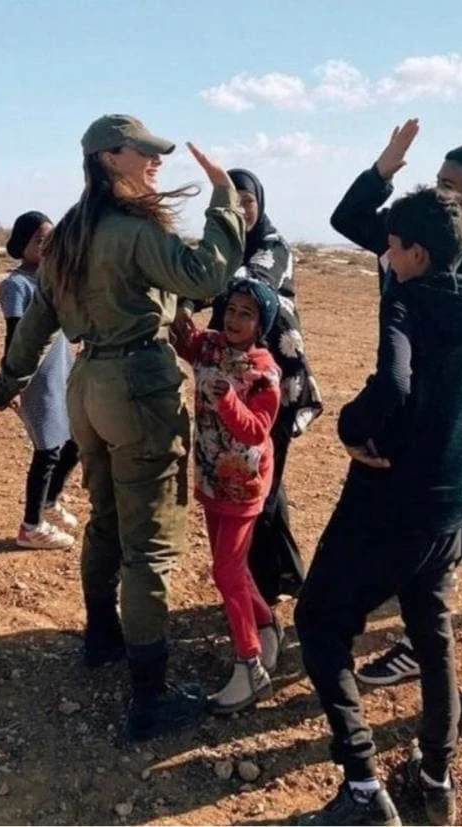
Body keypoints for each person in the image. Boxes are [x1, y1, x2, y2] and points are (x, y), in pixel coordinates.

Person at [0, 114, 245, 740]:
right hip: (138, 389)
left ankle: (102, 638)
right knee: (148, 545)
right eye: (143, 153)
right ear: (109, 158)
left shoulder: (69, 231)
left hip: (87, 387)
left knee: (104, 518)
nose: (155, 161)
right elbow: (205, 275)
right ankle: (149, 698)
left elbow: (39, 320)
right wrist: (225, 201)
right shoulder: (130, 230)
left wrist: (5, 383)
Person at [295, 187, 462, 826]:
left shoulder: (406, 297)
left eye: (394, 247)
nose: (388, 258)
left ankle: (363, 789)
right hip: (449, 505)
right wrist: (453, 430)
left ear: (417, 253)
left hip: (387, 502)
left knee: (319, 623)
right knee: (431, 634)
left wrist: (354, 428)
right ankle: (435, 779)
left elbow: (395, 383)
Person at [330, 122, 462, 733]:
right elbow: (349, 219)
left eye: (448, 184)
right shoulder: (422, 235)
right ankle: (421, 649)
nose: (434, 189)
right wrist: (386, 165)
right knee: (430, 553)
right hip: (419, 433)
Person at [179, 168, 322, 605]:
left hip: (271, 382)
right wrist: (186, 301)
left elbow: (244, 285)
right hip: (235, 384)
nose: (241, 210)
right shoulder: (224, 250)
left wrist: (192, 292)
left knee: (262, 489)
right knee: (262, 488)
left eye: (248, 200)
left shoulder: (272, 246)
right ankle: (281, 579)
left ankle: (270, 584)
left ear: (260, 203)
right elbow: (206, 282)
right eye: (232, 202)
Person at [173, 278, 281, 714]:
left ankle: (250, 664)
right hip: (213, 476)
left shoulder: (263, 373)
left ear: (261, 323)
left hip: (243, 483)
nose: (235, 320)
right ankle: (266, 623)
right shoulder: (211, 346)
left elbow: (256, 430)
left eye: (247, 314)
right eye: (231, 310)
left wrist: (228, 403)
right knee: (230, 566)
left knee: (225, 571)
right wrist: (181, 313)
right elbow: (185, 343)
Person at [0, 211, 79, 550]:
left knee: (73, 440)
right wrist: (11, 381)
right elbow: (16, 337)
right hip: (37, 376)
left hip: (62, 368)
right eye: (38, 239)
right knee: (47, 449)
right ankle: (31, 526)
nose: (45, 246)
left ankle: (50, 500)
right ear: (22, 243)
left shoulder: (51, 280)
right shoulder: (15, 285)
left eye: (50, 239)